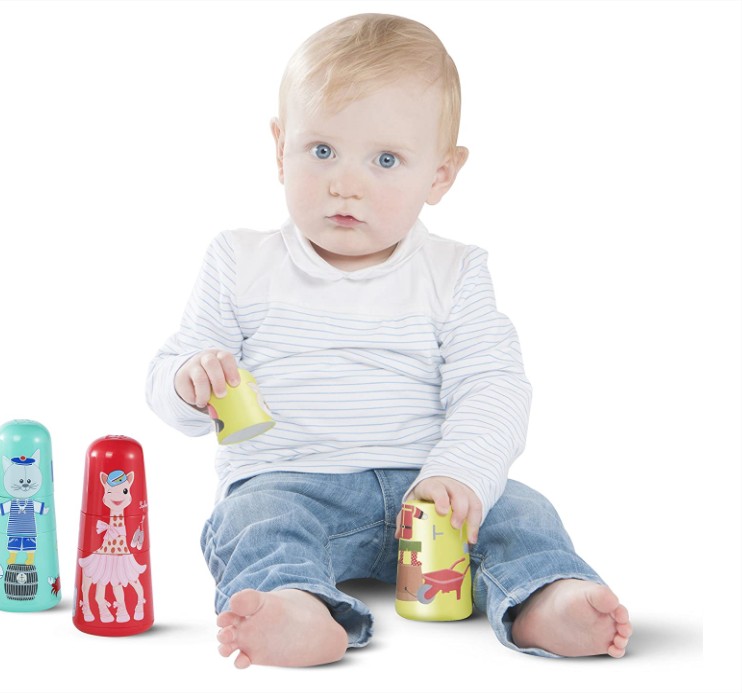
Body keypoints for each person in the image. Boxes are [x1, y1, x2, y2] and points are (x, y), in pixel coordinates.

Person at [146, 13, 632, 668]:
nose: (345, 183)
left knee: (522, 511)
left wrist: (460, 472)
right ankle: (295, 606)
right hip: (290, 482)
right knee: (250, 522)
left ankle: (546, 595)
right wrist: (189, 380)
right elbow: (174, 369)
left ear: (441, 174)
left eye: (385, 160)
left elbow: (493, 385)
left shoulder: (454, 272)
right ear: (280, 147)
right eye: (322, 151)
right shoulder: (240, 260)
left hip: (430, 488)